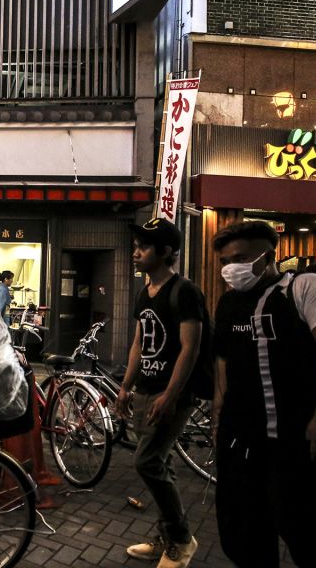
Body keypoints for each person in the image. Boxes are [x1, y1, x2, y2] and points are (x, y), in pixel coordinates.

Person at [210, 221, 316, 568]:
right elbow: (223, 360)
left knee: (308, 536)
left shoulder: (306, 288)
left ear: (269, 256)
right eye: (224, 261)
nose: (230, 267)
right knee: (244, 538)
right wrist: (219, 414)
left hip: (295, 446)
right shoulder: (228, 303)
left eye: (241, 257)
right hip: (240, 445)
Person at [115, 218, 203, 567]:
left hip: (172, 393)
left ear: (166, 252)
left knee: (147, 461)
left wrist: (170, 394)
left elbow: (190, 348)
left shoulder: (184, 291)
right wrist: (125, 386)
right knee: (160, 462)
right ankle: (168, 537)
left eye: (144, 246)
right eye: (136, 244)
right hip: (145, 390)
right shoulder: (144, 291)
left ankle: (181, 541)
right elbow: (139, 341)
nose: (135, 251)